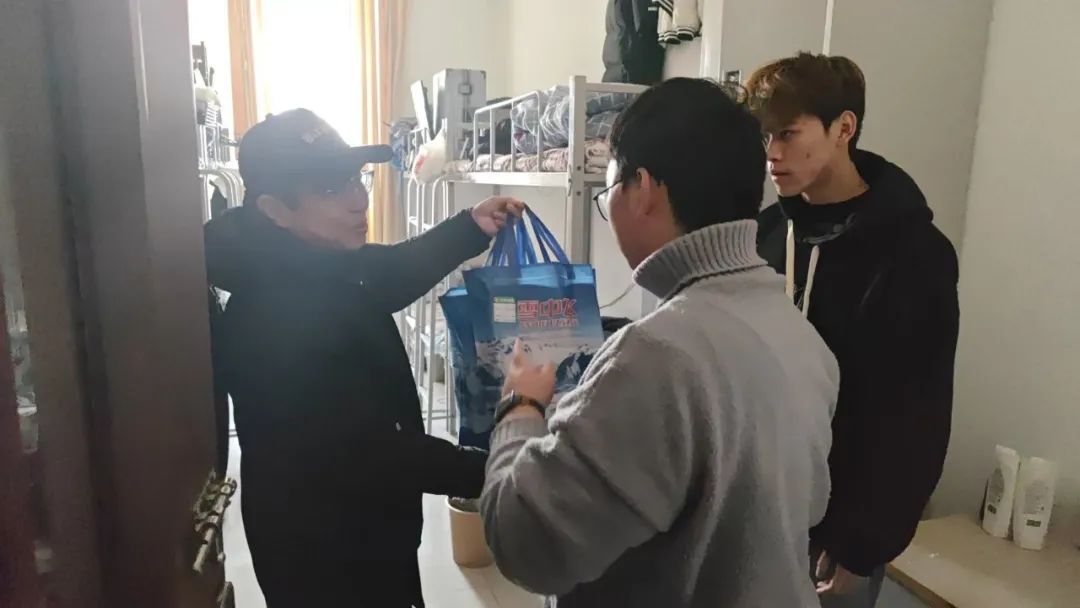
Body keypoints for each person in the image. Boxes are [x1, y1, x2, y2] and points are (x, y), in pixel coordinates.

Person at [479, 78, 839, 607]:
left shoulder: (655, 357)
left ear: (643, 188)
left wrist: (521, 405)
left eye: (607, 191)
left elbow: (523, 543)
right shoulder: (800, 336)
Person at [203, 109, 523, 607]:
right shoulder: (269, 320)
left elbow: (387, 271)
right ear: (275, 208)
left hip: (368, 525)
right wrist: (500, 465)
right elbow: (369, 452)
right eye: (332, 189)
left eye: (356, 178)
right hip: (324, 551)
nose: (359, 199)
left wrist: (472, 227)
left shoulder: (309, 259)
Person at [748, 53, 960, 607]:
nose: (772, 154)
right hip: (750, 509)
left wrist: (862, 542)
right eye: (766, 136)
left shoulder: (914, 253)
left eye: (788, 134)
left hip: (839, 531)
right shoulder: (763, 236)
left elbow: (916, 412)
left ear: (844, 128)